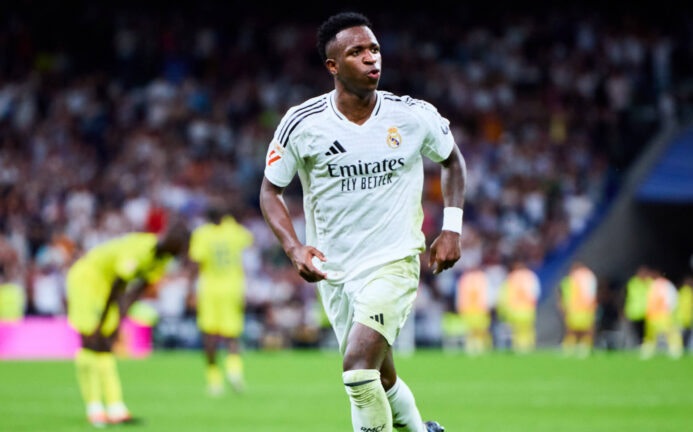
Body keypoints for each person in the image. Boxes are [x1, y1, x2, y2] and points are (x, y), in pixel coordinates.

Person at [259, 12, 466, 432]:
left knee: (356, 368)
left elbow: (452, 161)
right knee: (381, 378)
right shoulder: (303, 124)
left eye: (374, 49)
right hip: (335, 270)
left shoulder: (411, 115)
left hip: (394, 259)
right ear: (332, 66)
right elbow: (270, 192)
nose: (372, 59)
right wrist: (295, 247)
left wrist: (452, 227)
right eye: (357, 52)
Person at [66, 224, 187, 427]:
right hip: (87, 279)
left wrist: (119, 320)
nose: (181, 253)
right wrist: (107, 320)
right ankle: (94, 408)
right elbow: (119, 285)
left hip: (106, 286)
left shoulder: (162, 260)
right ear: (168, 241)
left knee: (105, 345)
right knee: (91, 340)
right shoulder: (139, 249)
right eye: (180, 248)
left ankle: (115, 408)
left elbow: (137, 290)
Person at [189, 209, 254, 395]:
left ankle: (214, 380)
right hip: (232, 287)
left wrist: (189, 290)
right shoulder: (233, 230)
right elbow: (249, 240)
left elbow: (196, 262)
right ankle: (235, 372)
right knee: (231, 334)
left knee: (209, 335)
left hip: (209, 289)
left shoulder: (201, 234)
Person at [497, 260, 540, 353]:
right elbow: (536, 293)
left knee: (516, 333)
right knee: (527, 332)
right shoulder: (530, 276)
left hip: (514, 310)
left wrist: (503, 311)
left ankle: (518, 349)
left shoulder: (511, 278)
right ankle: (528, 349)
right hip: (528, 309)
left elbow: (504, 296)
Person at [559, 262, 597, 357]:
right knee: (586, 329)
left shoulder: (571, 278)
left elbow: (564, 294)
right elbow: (592, 293)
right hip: (586, 307)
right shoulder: (589, 276)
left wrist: (563, 306)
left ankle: (569, 348)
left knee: (571, 330)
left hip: (574, 308)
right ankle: (584, 347)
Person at [641, 272, 682, 359]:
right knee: (650, 334)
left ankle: (675, 349)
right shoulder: (652, 285)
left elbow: (672, 298)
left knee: (669, 332)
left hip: (663, 314)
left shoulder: (666, 285)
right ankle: (649, 350)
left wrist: (669, 309)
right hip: (653, 315)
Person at [455, 267, 491, 355]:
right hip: (481, 310)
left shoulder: (464, 279)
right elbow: (488, 294)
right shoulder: (483, 278)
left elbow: (459, 296)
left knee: (470, 333)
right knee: (481, 332)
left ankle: (471, 350)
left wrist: (459, 308)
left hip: (468, 310)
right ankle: (481, 350)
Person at [624, 266, 651, 346]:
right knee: (634, 332)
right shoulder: (633, 283)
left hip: (646, 313)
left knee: (645, 332)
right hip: (634, 312)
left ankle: (644, 346)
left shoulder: (649, 283)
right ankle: (634, 346)